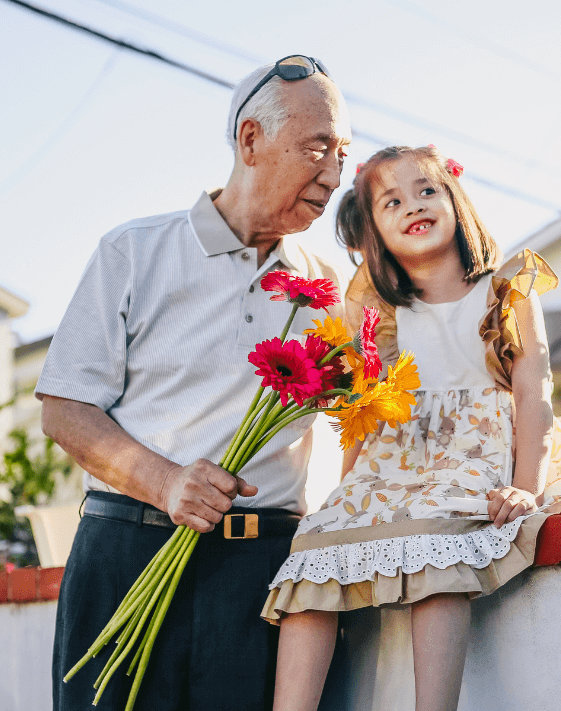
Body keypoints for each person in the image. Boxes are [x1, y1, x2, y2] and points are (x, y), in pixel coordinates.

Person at [37, 55, 352, 711]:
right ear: (249, 140)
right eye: (317, 147)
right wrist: (166, 482)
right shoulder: (134, 251)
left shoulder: (333, 288)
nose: (333, 174)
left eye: (344, 153)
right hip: (128, 554)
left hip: (264, 575)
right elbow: (65, 409)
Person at [262, 145, 561, 711]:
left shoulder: (506, 289)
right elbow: (366, 415)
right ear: (373, 230)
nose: (413, 206)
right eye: (391, 201)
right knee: (316, 543)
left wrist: (527, 484)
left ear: (455, 201)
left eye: (426, 190)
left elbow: (533, 394)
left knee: (439, 539)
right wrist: (340, 495)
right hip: (397, 460)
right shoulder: (380, 313)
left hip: (480, 453)